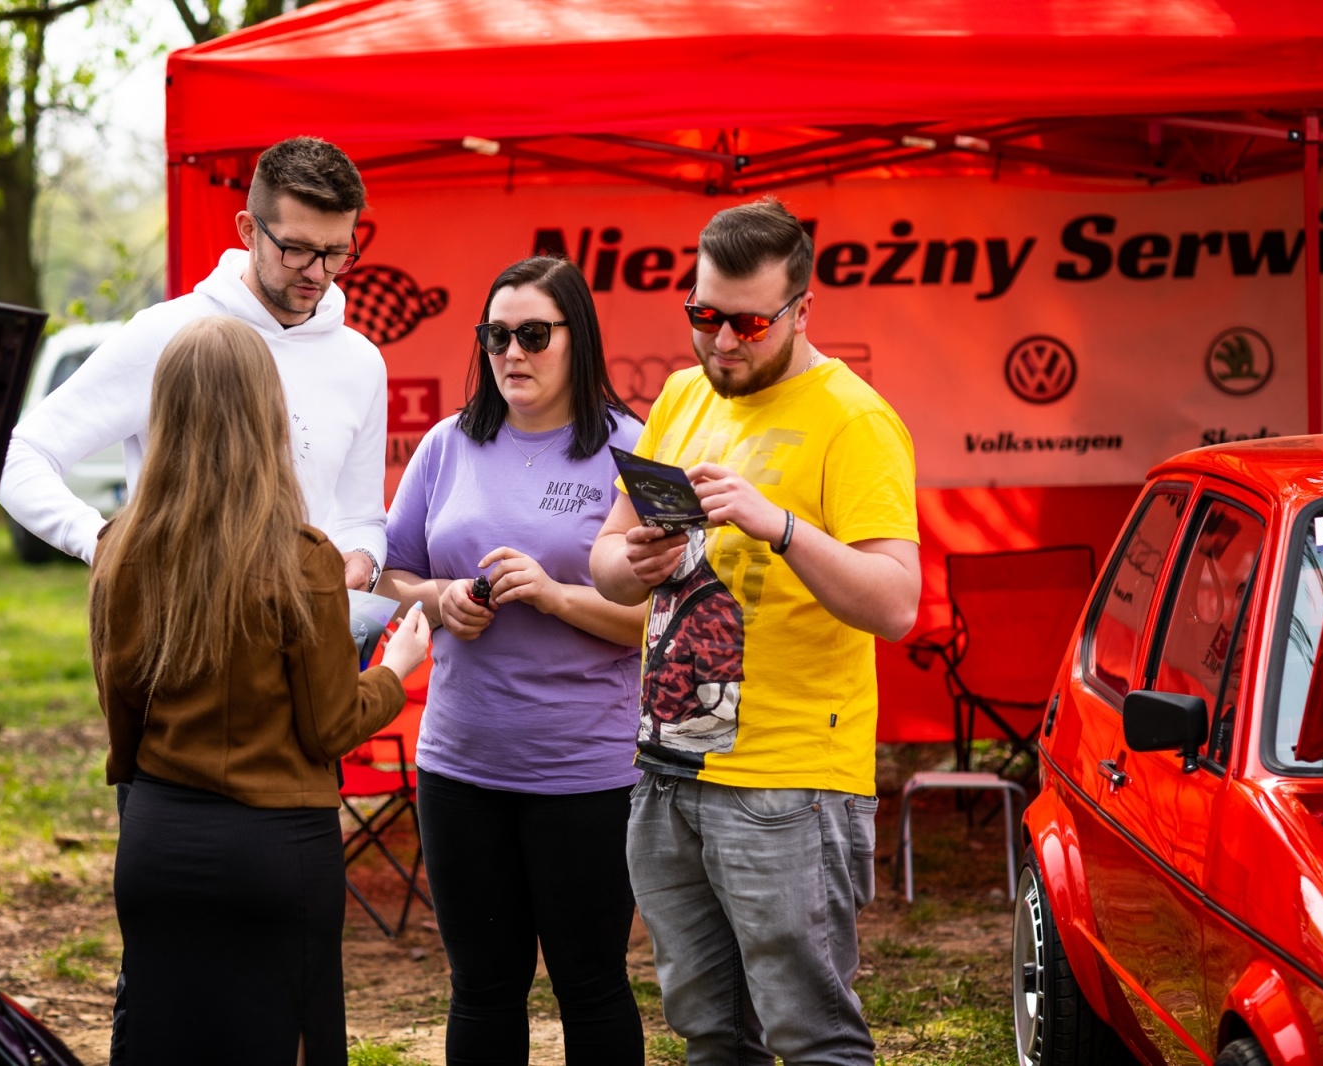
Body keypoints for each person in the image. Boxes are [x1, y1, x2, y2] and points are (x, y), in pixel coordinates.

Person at [590, 199, 921, 1066]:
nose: (723, 343)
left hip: (791, 784)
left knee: (811, 1036)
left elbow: (896, 604)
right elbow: (604, 566)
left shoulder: (855, 421)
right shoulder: (680, 393)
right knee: (708, 1035)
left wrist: (779, 526)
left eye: (747, 323)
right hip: (669, 768)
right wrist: (639, 559)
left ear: (801, 311)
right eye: (704, 316)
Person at [89, 316, 431, 1066]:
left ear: (165, 415)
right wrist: (394, 668)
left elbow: (121, 706)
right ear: (266, 416)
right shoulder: (302, 558)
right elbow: (332, 724)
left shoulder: (119, 547)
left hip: (157, 841)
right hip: (274, 850)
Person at [378, 256, 647, 1065]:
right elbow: (391, 572)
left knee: (591, 985)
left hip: (587, 772)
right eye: (496, 335)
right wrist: (441, 598)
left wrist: (556, 595)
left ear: (578, 339)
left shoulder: (628, 449)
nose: (512, 352)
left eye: (533, 334)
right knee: (483, 989)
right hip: (462, 765)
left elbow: (657, 621)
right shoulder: (448, 443)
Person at [0, 135, 388, 594]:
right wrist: (101, 541)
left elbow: (362, 516)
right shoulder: (167, 333)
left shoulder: (361, 361)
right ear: (248, 230)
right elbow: (17, 454)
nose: (317, 272)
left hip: (304, 643)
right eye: (297, 249)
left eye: (336, 252)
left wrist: (364, 559)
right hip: (182, 641)